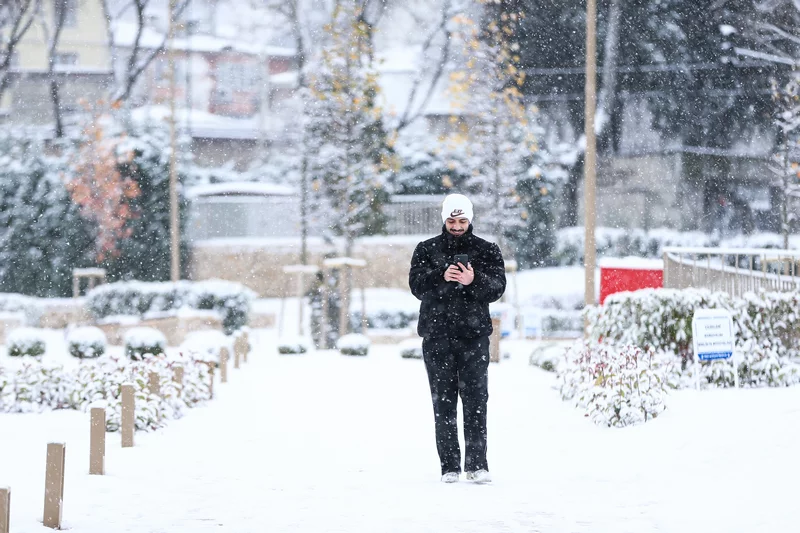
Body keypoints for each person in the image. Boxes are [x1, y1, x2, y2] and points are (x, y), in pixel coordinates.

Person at [408, 193, 506, 484]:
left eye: (462, 220)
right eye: (452, 220)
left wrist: (473, 280)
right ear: (444, 219)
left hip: (474, 338)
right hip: (437, 337)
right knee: (444, 402)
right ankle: (449, 466)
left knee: (476, 400)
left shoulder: (487, 250)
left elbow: (498, 288)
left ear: (471, 219)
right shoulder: (426, 250)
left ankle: (477, 465)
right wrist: (442, 275)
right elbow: (416, 286)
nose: (457, 226)